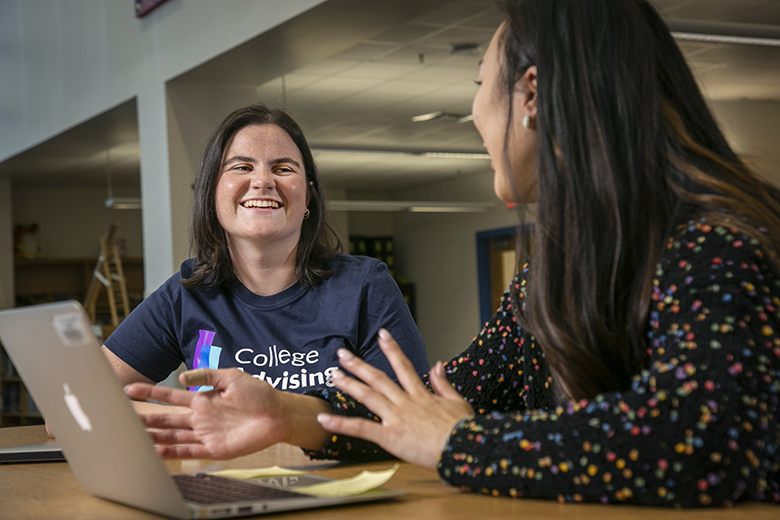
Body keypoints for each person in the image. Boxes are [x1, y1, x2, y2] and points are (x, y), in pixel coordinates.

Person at [125, 0, 780, 507]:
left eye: (478, 83)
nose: (472, 113)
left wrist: (462, 442)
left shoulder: (721, 242)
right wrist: (286, 414)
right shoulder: (549, 278)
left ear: (531, 96)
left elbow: (697, 439)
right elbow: (437, 400)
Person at [101, 104, 428, 452]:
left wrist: (265, 423)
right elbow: (78, 404)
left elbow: (413, 420)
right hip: (226, 492)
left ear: (307, 198)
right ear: (213, 193)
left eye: (283, 169)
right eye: (242, 167)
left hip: (339, 493)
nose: (262, 182)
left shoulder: (364, 286)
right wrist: (200, 421)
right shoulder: (186, 295)